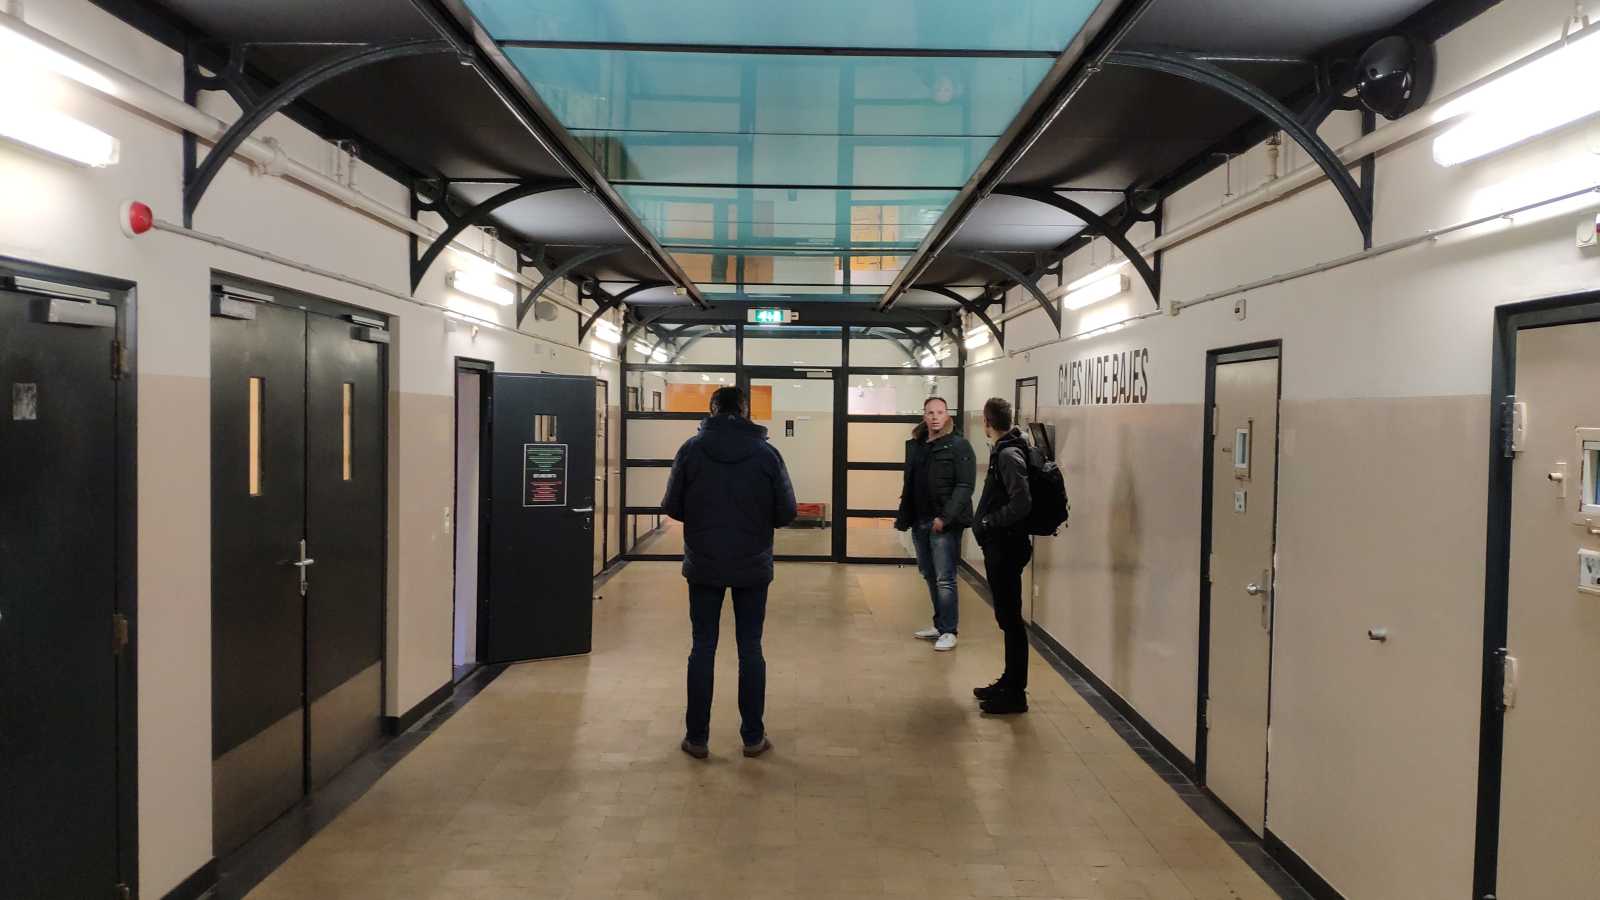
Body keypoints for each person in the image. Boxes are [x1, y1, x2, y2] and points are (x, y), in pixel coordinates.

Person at [662, 386, 797, 759]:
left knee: (702, 646)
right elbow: (787, 512)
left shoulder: (691, 450)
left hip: (703, 563)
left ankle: (697, 738)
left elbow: (672, 506)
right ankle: (753, 738)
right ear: (745, 411)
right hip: (752, 563)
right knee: (750, 648)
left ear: (712, 410)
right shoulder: (767, 454)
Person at [894, 396, 975, 652]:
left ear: (947, 415)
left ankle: (950, 630)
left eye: (940, 412)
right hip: (920, 521)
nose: (935, 417)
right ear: (924, 416)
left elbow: (965, 486)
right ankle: (940, 625)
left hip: (943, 524)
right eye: (930, 412)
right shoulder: (917, 445)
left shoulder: (959, 446)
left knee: (945, 578)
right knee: (929, 574)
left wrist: (945, 518)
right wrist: (905, 516)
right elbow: (910, 484)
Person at [971, 397, 1033, 715]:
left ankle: (1015, 694)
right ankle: (1009, 682)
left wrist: (989, 522)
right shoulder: (1005, 450)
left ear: (987, 421)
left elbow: (1022, 503)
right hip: (1002, 546)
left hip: (1006, 547)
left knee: (1011, 620)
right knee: (1008, 619)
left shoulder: (1008, 454)